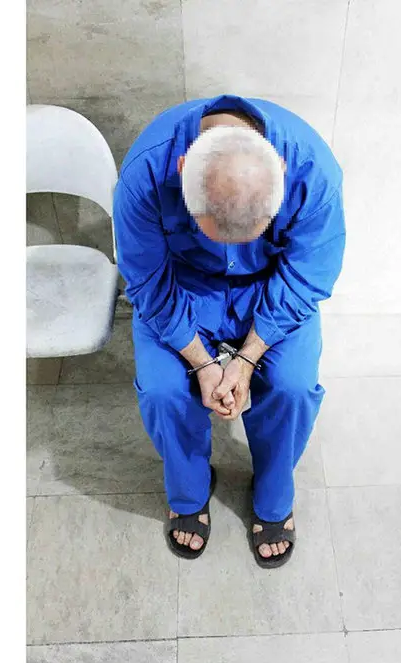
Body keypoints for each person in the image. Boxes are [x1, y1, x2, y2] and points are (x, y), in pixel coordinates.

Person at [114, 95, 345, 568]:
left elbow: (309, 274)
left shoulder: (314, 170)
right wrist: (203, 364)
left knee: (293, 386)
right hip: (181, 286)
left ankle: (274, 491)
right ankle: (188, 491)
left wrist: (247, 357)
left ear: (280, 170)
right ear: (182, 169)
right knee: (161, 390)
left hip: (274, 285)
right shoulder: (144, 173)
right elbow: (147, 282)